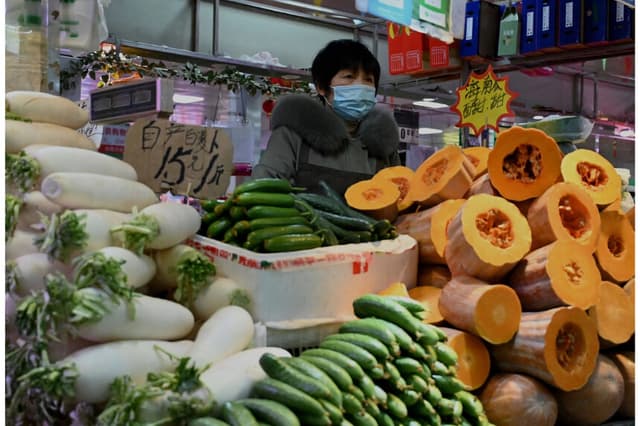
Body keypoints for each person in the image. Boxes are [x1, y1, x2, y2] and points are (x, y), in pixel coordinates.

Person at [251, 39, 401, 195]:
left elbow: (398, 200)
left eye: (368, 80)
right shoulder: (292, 135)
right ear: (322, 87)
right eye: (349, 76)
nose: (360, 86)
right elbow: (262, 190)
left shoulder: (384, 145)